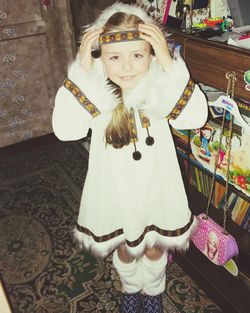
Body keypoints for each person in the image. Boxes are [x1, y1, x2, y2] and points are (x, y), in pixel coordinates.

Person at [52, 2, 208, 312]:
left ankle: (152, 292)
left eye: (138, 55)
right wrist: (81, 74)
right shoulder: (96, 95)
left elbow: (194, 118)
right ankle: (129, 289)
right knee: (127, 249)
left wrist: (169, 65)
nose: (126, 67)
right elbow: (65, 130)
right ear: (101, 59)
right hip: (116, 192)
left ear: (151, 55)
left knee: (152, 249)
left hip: (157, 189)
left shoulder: (161, 90)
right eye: (114, 57)